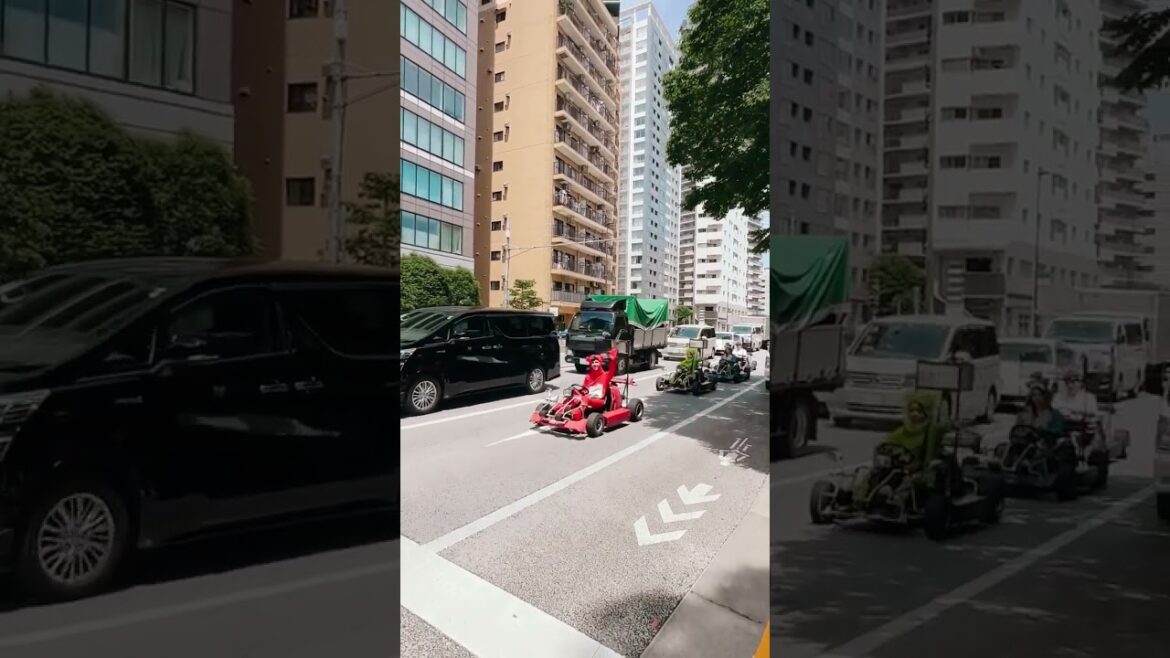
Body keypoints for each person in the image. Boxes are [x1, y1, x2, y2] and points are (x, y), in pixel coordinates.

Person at [854, 391, 949, 503]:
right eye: (911, 411)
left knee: (907, 482)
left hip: (916, 471)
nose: (914, 414)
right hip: (894, 468)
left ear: (926, 414)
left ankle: (895, 503)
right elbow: (885, 446)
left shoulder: (931, 433)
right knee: (870, 475)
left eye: (919, 411)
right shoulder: (901, 432)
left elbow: (943, 429)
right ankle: (859, 499)